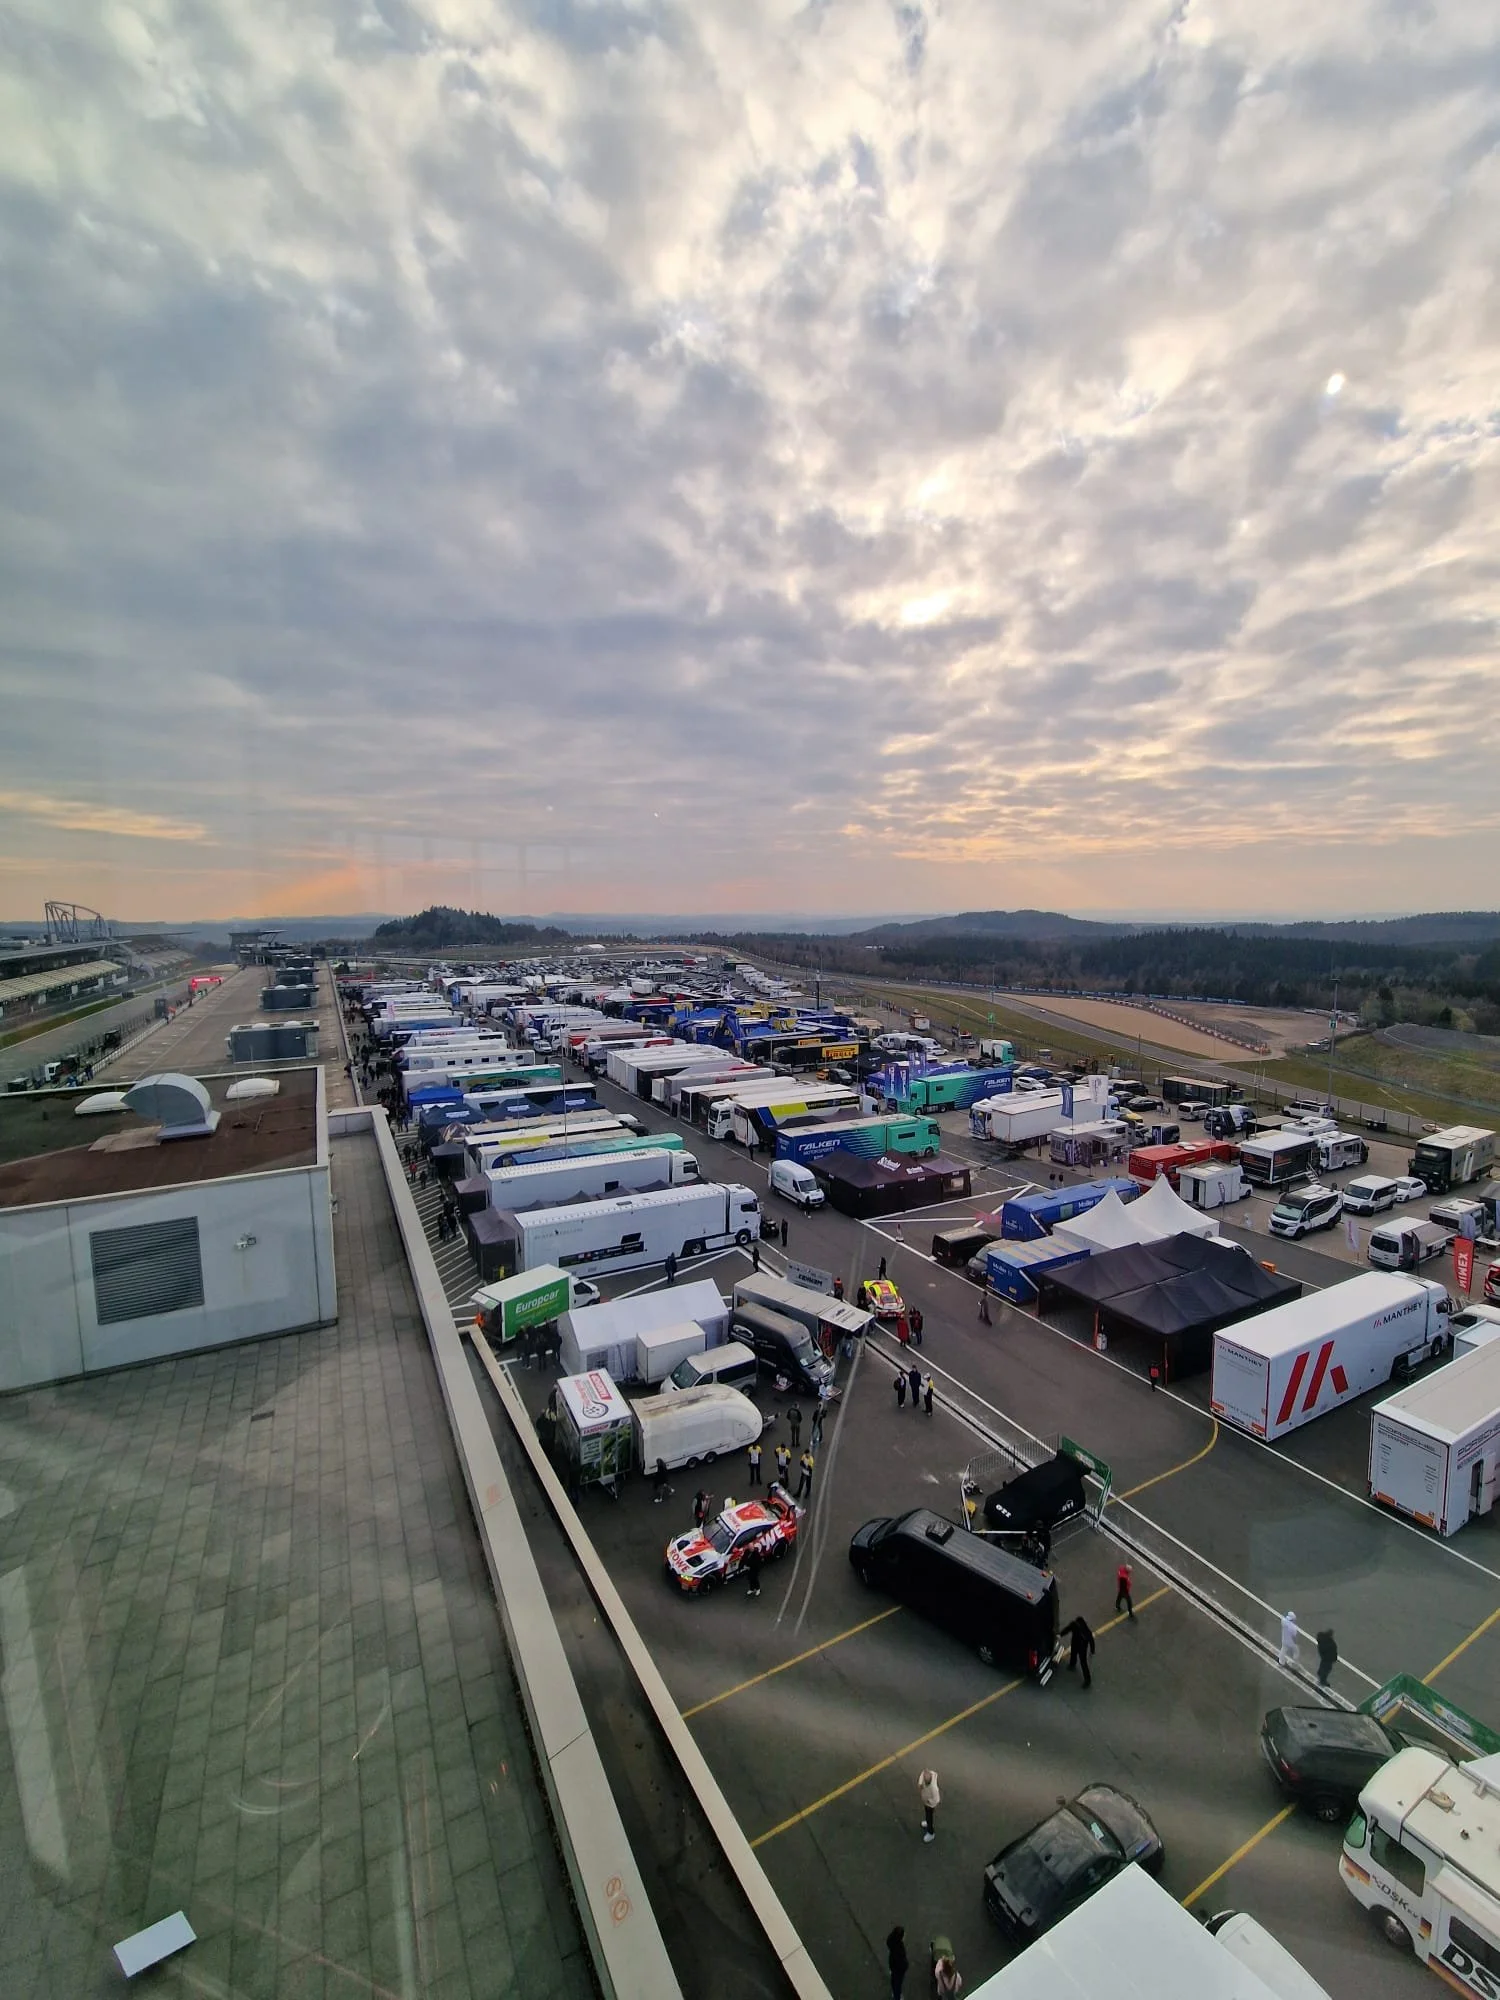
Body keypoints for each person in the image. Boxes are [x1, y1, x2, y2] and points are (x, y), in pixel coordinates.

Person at [1063, 1613, 1095, 1687]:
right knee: (1075, 1656)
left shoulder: (1078, 1627)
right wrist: (1092, 1650)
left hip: (1080, 1647)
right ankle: (1073, 1665)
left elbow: (1091, 1641)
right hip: (1079, 1646)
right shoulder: (1085, 1630)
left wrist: (1092, 1650)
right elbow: (1091, 1641)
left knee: (1082, 1662)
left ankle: (1087, 1680)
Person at [886, 1923, 908, 2000]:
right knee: (898, 1983)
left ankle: (895, 1993)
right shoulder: (899, 1949)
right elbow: (902, 1962)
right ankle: (897, 1997)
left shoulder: (891, 1941)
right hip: (898, 1969)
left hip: (893, 1966)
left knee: (894, 1980)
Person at [917, 1767, 940, 1842]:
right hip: (925, 1799)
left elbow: (936, 1800)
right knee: (927, 1814)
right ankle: (927, 1822)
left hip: (930, 1804)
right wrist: (920, 1784)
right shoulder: (925, 1774)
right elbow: (922, 1775)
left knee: (929, 1816)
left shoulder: (934, 1788)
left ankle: (931, 1833)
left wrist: (928, 1801)